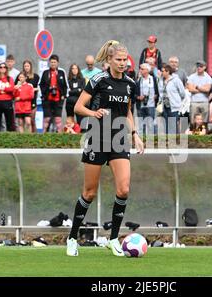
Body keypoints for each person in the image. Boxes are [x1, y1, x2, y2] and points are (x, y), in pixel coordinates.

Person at [66, 40, 144, 257]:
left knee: (124, 189)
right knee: (89, 192)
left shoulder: (130, 83)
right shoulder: (97, 79)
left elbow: (128, 112)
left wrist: (135, 135)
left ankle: (113, 239)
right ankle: (72, 237)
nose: (122, 63)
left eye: (124, 60)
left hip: (119, 139)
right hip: (97, 137)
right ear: (109, 60)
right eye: (118, 60)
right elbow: (78, 107)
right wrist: (94, 113)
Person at [39, 54, 69, 133]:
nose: (53, 64)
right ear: (49, 62)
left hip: (59, 99)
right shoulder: (45, 72)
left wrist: (64, 95)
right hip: (47, 99)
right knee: (47, 119)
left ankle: (59, 137)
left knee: (58, 119)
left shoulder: (62, 72)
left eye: (54, 62)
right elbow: (40, 85)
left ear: (57, 63)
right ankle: (43, 136)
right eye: (51, 62)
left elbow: (66, 85)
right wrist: (42, 95)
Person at [159, 64, 186, 134]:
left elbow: (182, 93)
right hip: (164, 106)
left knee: (173, 125)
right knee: (166, 125)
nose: (162, 73)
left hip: (174, 106)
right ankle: (168, 140)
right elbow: (160, 92)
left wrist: (177, 101)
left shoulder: (176, 80)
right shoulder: (161, 80)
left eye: (163, 71)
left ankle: (175, 140)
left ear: (168, 72)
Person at [16, 60, 40, 133]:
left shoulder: (36, 76)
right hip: (21, 103)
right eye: (25, 66)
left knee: (31, 120)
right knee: (21, 121)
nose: (26, 67)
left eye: (28, 66)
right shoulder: (19, 76)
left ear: (31, 67)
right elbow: (16, 86)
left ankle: (33, 136)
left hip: (32, 101)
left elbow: (38, 88)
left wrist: (31, 89)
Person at [0, 62, 15, 132]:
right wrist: (6, 89)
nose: (2, 68)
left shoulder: (9, 79)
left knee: (10, 121)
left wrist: (2, 89)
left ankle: (10, 137)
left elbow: (11, 89)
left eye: (4, 67)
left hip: (7, 101)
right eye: (1, 67)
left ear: (6, 69)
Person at [136, 63, 159, 136]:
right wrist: (138, 97)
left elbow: (157, 91)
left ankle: (154, 139)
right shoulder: (138, 80)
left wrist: (156, 96)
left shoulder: (153, 79)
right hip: (141, 105)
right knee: (141, 124)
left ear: (147, 70)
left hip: (151, 105)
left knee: (152, 123)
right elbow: (134, 93)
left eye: (142, 69)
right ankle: (142, 139)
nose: (140, 70)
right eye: (140, 68)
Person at [66, 63, 86, 128]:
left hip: (79, 102)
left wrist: (73, 91)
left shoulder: (82, 80)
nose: (74, 70)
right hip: (70, 103)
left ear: (78, 70)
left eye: (76, 68)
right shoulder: (68, 80)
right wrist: (78, 90)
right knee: (70, 121)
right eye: (73, 68)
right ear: (71, 70)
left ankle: (80, 133)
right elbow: (68, 91)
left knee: (80, 120)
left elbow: (82, 91)